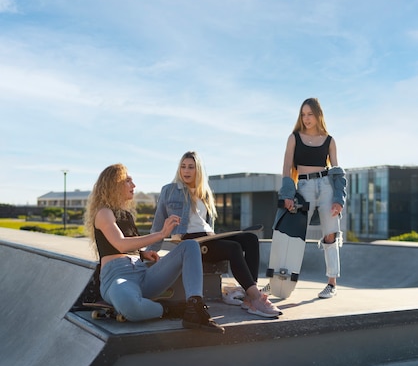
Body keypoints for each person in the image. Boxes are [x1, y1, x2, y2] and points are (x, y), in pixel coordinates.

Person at [84, 163, 224, 333]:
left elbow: (126, 247)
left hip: (143, 275)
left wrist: (143, 254)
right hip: (118, 278)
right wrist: (161, 234)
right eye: (127, 181)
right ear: (113, 184)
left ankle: (195, 307)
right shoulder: (103, 213)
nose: (133, 186)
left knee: (190, 245)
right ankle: (167, 309)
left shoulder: (126, 215)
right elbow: (119, 244)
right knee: (130, 306)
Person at [147, 151, 281, 318]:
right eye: (183, 167)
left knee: (250, 238)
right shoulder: (170, 190)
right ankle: (256, 297)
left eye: (191, 167)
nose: (186, 171)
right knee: (233, 248)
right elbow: (158, 223)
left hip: (208, 237)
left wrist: (215, 237)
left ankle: (248, 296)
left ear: (198, 170)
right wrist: (150, 250)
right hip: (190, 242)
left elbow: (207, 223)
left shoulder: (204, 192)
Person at [280, 98, 346, 298]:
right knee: (294, 233)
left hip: (327, 186)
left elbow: (337, 172)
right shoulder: (294, 138)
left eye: (310, 114)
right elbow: (286, 169)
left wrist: (338, 198)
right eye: (303, 114)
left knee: (330, 233)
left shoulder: (329, 140)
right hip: (305, 186)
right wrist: (288, 194)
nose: (306, 118)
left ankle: (331, 283)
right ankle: (281, 279)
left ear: (318, 115)